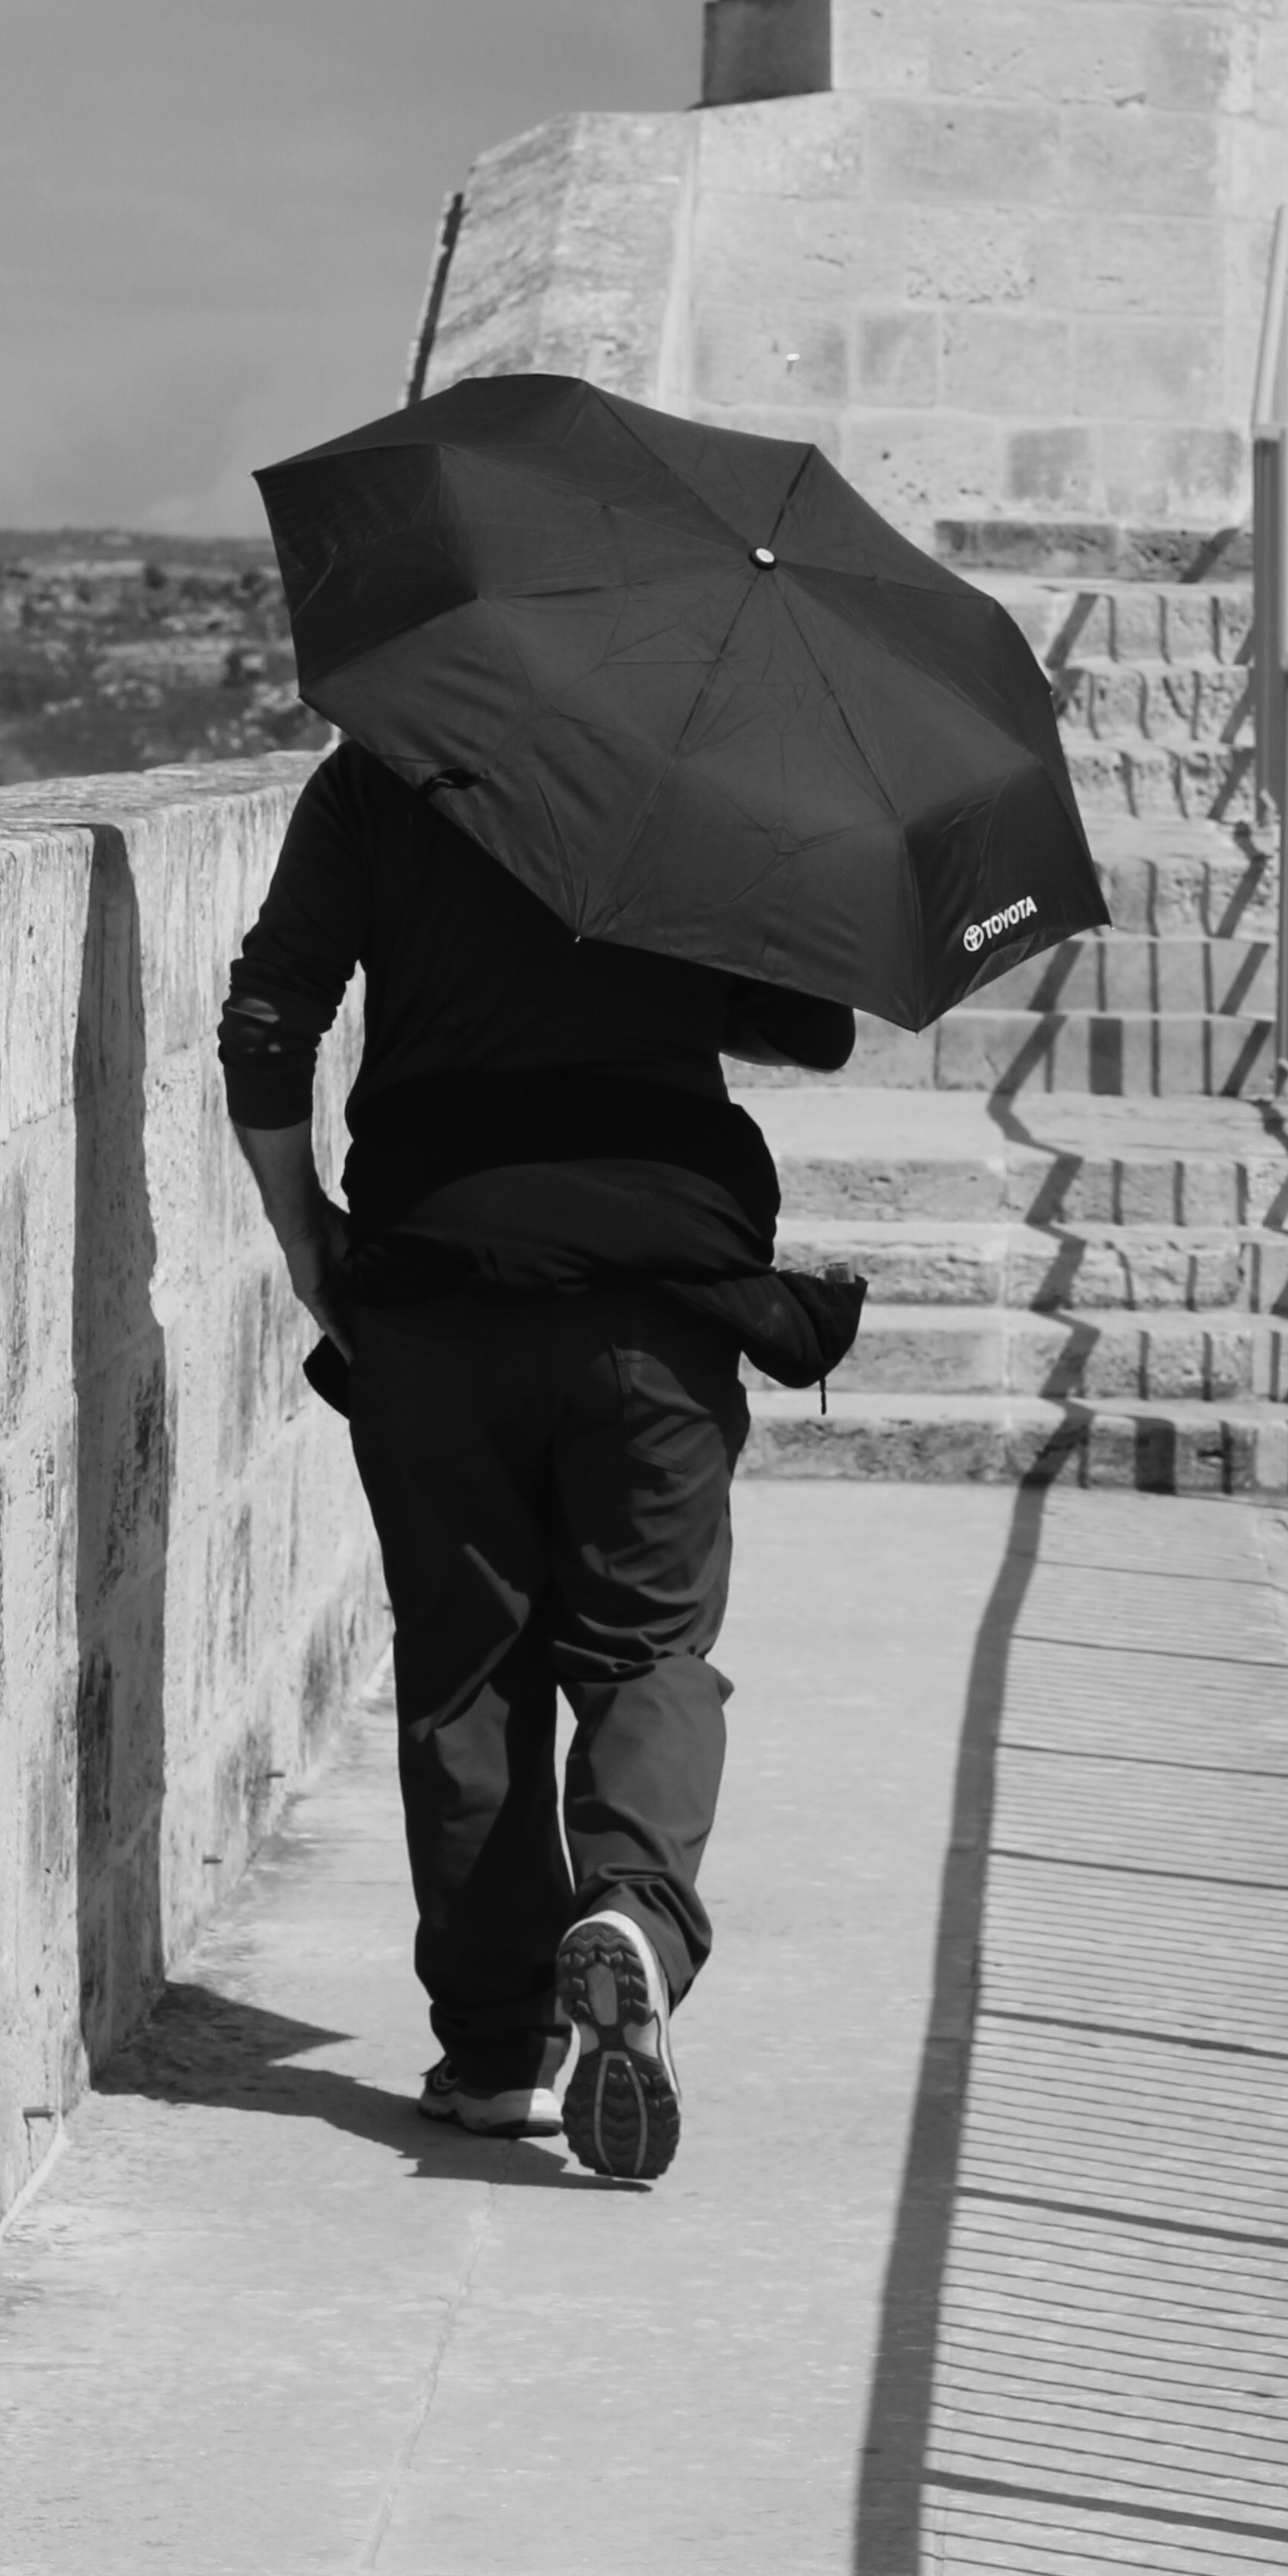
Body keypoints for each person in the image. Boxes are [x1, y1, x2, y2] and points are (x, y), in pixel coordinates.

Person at [218, 739, 855, 2183]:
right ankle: (631, 1913)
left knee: (467, 1670)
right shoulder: (709, 768)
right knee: (648, 1651)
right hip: (658, 1294)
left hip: (438, 1285)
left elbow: (269, 1023)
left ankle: (499, 2053)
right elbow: (812, 1028)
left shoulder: (381, 773)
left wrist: (304, 1231)